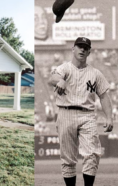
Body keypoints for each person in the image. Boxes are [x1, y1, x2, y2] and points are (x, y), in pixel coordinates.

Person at [48, 37, 113, 186]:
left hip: (87, 114)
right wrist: (60, 80)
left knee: (92, 154)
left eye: (85, 47)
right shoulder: (64, 68)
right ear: (73, 49)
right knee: (68, 159)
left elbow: (104, 96)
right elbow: (51, 78)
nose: (82, 49)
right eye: (79, 46)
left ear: (89, 52)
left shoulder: (95, 73)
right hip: (65, 113)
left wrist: (109, 118)